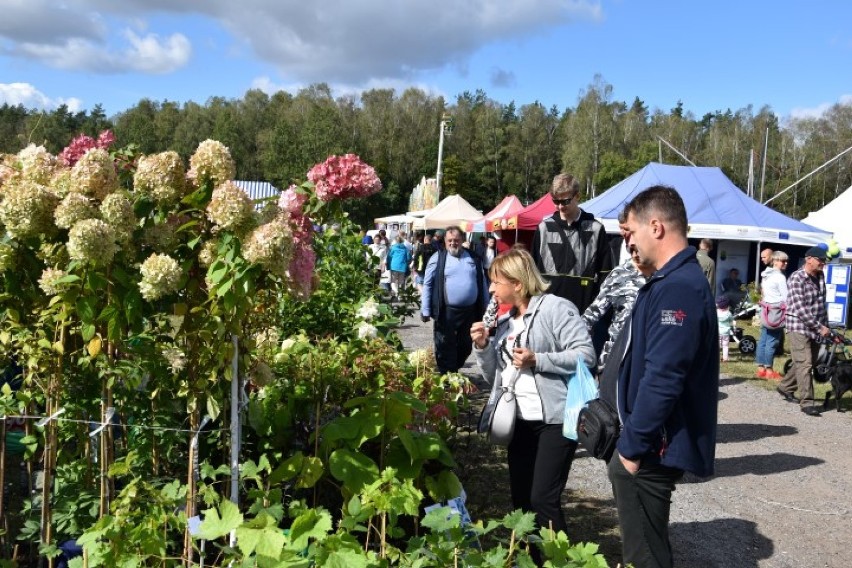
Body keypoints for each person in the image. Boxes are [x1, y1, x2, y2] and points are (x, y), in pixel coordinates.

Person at [610, 185, 718, 568]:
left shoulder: (679, 288)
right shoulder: (670, 280)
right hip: (647, 443)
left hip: (651, 448)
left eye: (632, 232)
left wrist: (631, 448)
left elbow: (664, 377)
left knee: (646, 556)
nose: (629, 244)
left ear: (655, 226)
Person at [470, 248, 596, 542]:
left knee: (543, 500)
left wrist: (538, 359)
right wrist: (483, 347)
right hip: (519, 423)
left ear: (517, 283)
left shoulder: (555, 308)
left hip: (555, 420)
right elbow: (495, 378)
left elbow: (586, 356)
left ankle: (560, 561)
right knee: (522, 503)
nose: (490, 289)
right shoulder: (504, 323)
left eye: (495, 282)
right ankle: (532, 559)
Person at [531, 173, 613, 313]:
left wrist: (595, 311)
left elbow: (606, 275)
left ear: (577, 196)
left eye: (566, 201)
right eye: (556, 201)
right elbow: (532, 274)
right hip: (547, 314)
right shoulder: (543, 228)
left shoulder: (596, 229)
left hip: (584, 315)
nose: (560, 206)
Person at [421, 226, 489, 374]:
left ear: (462, 240)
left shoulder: (473, 258)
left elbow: (482, 283)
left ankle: (453, 369)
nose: (453, 243)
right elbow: (427, 284)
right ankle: (447, 376)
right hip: (446, 312)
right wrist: (425, 309)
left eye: (456, 240)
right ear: (444, 241)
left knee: (466, 346)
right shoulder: (437, 258)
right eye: (450, 240)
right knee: (445, 344)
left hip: (470, 312)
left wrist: (486, 305)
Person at [776, 246, 831, 416]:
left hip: (815, 327)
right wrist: (820, 327)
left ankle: (785, 387)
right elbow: (801, 309)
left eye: (824, 261)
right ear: (809, 259)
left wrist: (826, 326)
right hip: (798, 325)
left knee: (809, 361)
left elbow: (821, 305)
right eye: (820, 260)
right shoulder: (796, 278)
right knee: (805, 363)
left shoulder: (820, 276)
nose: (823, 263)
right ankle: (807, 402)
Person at [582, 245, 652, 370]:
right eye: (632, 249)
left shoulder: (663, 275)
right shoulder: (619, 274)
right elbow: (592, 314)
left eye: (639, 248)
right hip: (615, 357)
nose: (636, 254)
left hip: (648, 358)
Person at [755, 251, 788, 379]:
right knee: (772, 341)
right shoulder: (780, 277)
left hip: (765, 309)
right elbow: (786, 297)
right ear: (774, 261)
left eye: (786, 261)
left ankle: (760, 368)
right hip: (776, 311)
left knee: (763, 339)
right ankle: (769, 370)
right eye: (782, 261)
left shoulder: (766, 275)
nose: (785, 263)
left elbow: (763, 292)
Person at [716, 295, 733, 362]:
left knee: (717, 346)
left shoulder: (716, 312)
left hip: (718, 332)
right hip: (726, 332)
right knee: (725, 346)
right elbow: (731, 320)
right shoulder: (728, 313)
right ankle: (725, 358)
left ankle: (716, 358)